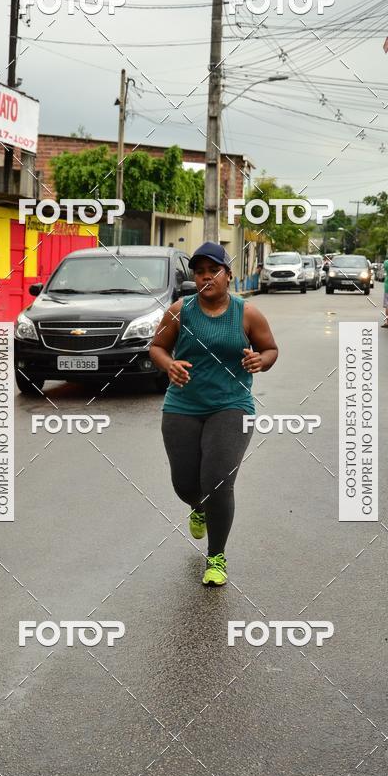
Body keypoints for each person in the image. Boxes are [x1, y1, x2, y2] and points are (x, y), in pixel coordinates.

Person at [149, 242, 278, 587]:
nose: (206, 277)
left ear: (228, 275)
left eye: (214, 270)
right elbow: (157, 347)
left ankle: (216, 555)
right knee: (185, 484)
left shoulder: (246, 314)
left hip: (232, 405)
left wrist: (260, 361)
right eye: (200, 271)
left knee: (218, 482)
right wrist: (169, 365)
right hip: (182, 406)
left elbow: (270, 349)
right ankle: (198, 506)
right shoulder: (180, 311)